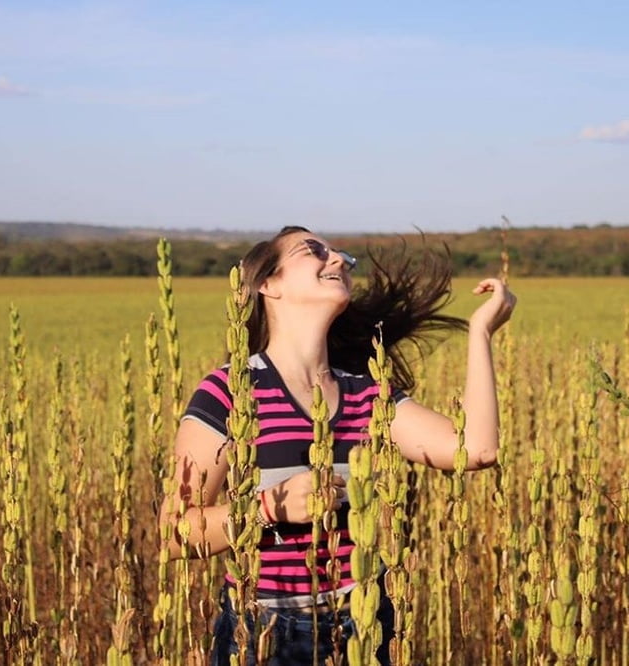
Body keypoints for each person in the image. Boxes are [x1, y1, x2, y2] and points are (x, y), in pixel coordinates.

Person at [158, 226, 516, 665]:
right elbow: (175, 533)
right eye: (314, 251)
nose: (339, 261)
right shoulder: (229, 391)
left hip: (364, 622)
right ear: (268, 284)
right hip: (267, 629)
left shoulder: (369, 395)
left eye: (342, 255)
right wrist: (269, 508)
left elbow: (476, 449)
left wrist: (481, 331)